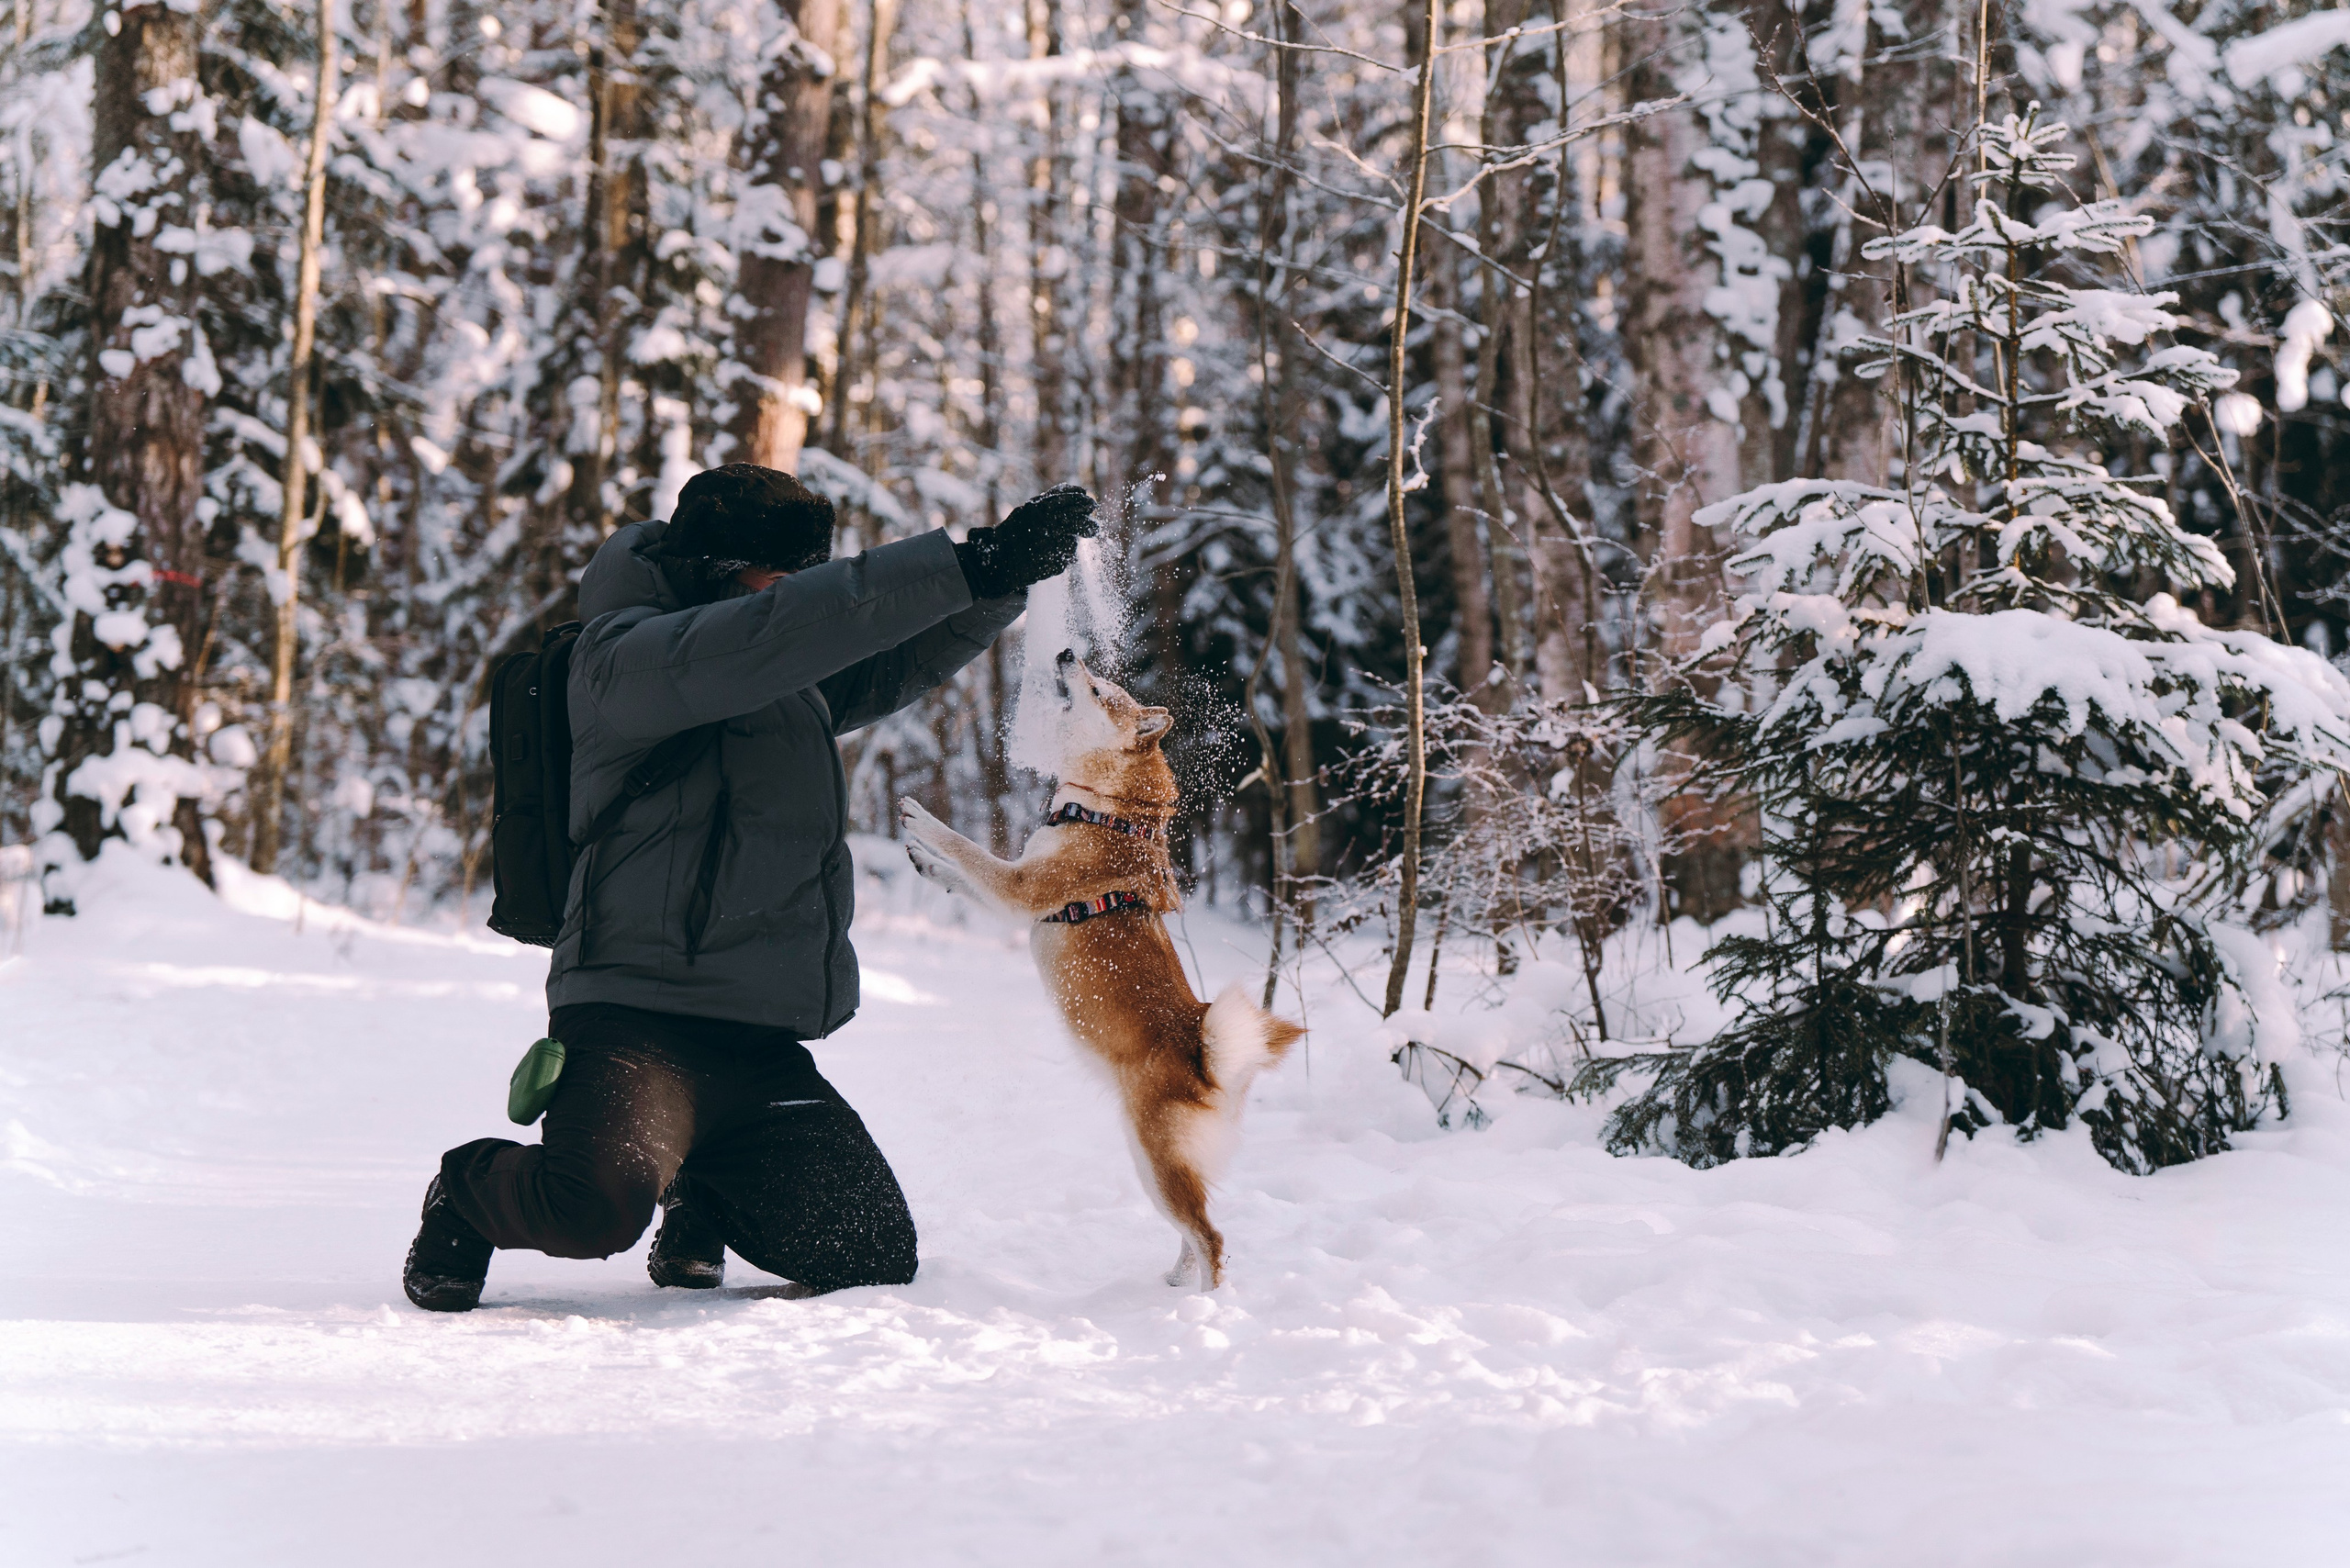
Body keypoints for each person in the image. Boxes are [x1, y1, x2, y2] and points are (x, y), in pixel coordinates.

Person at [402, 464, 1097, 1311]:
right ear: (717, 572)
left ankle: (702, 1188)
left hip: (755, 1033)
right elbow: (770, 636)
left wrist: (997, 585)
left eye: (810, 575)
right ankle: (466, 1191)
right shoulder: (625, 661)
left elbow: (881, 659)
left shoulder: (776, 669)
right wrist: (965, 559)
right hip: (634, 1019)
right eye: (781, 579)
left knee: (866, 1252)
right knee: (590, 1211)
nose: (796, 596)